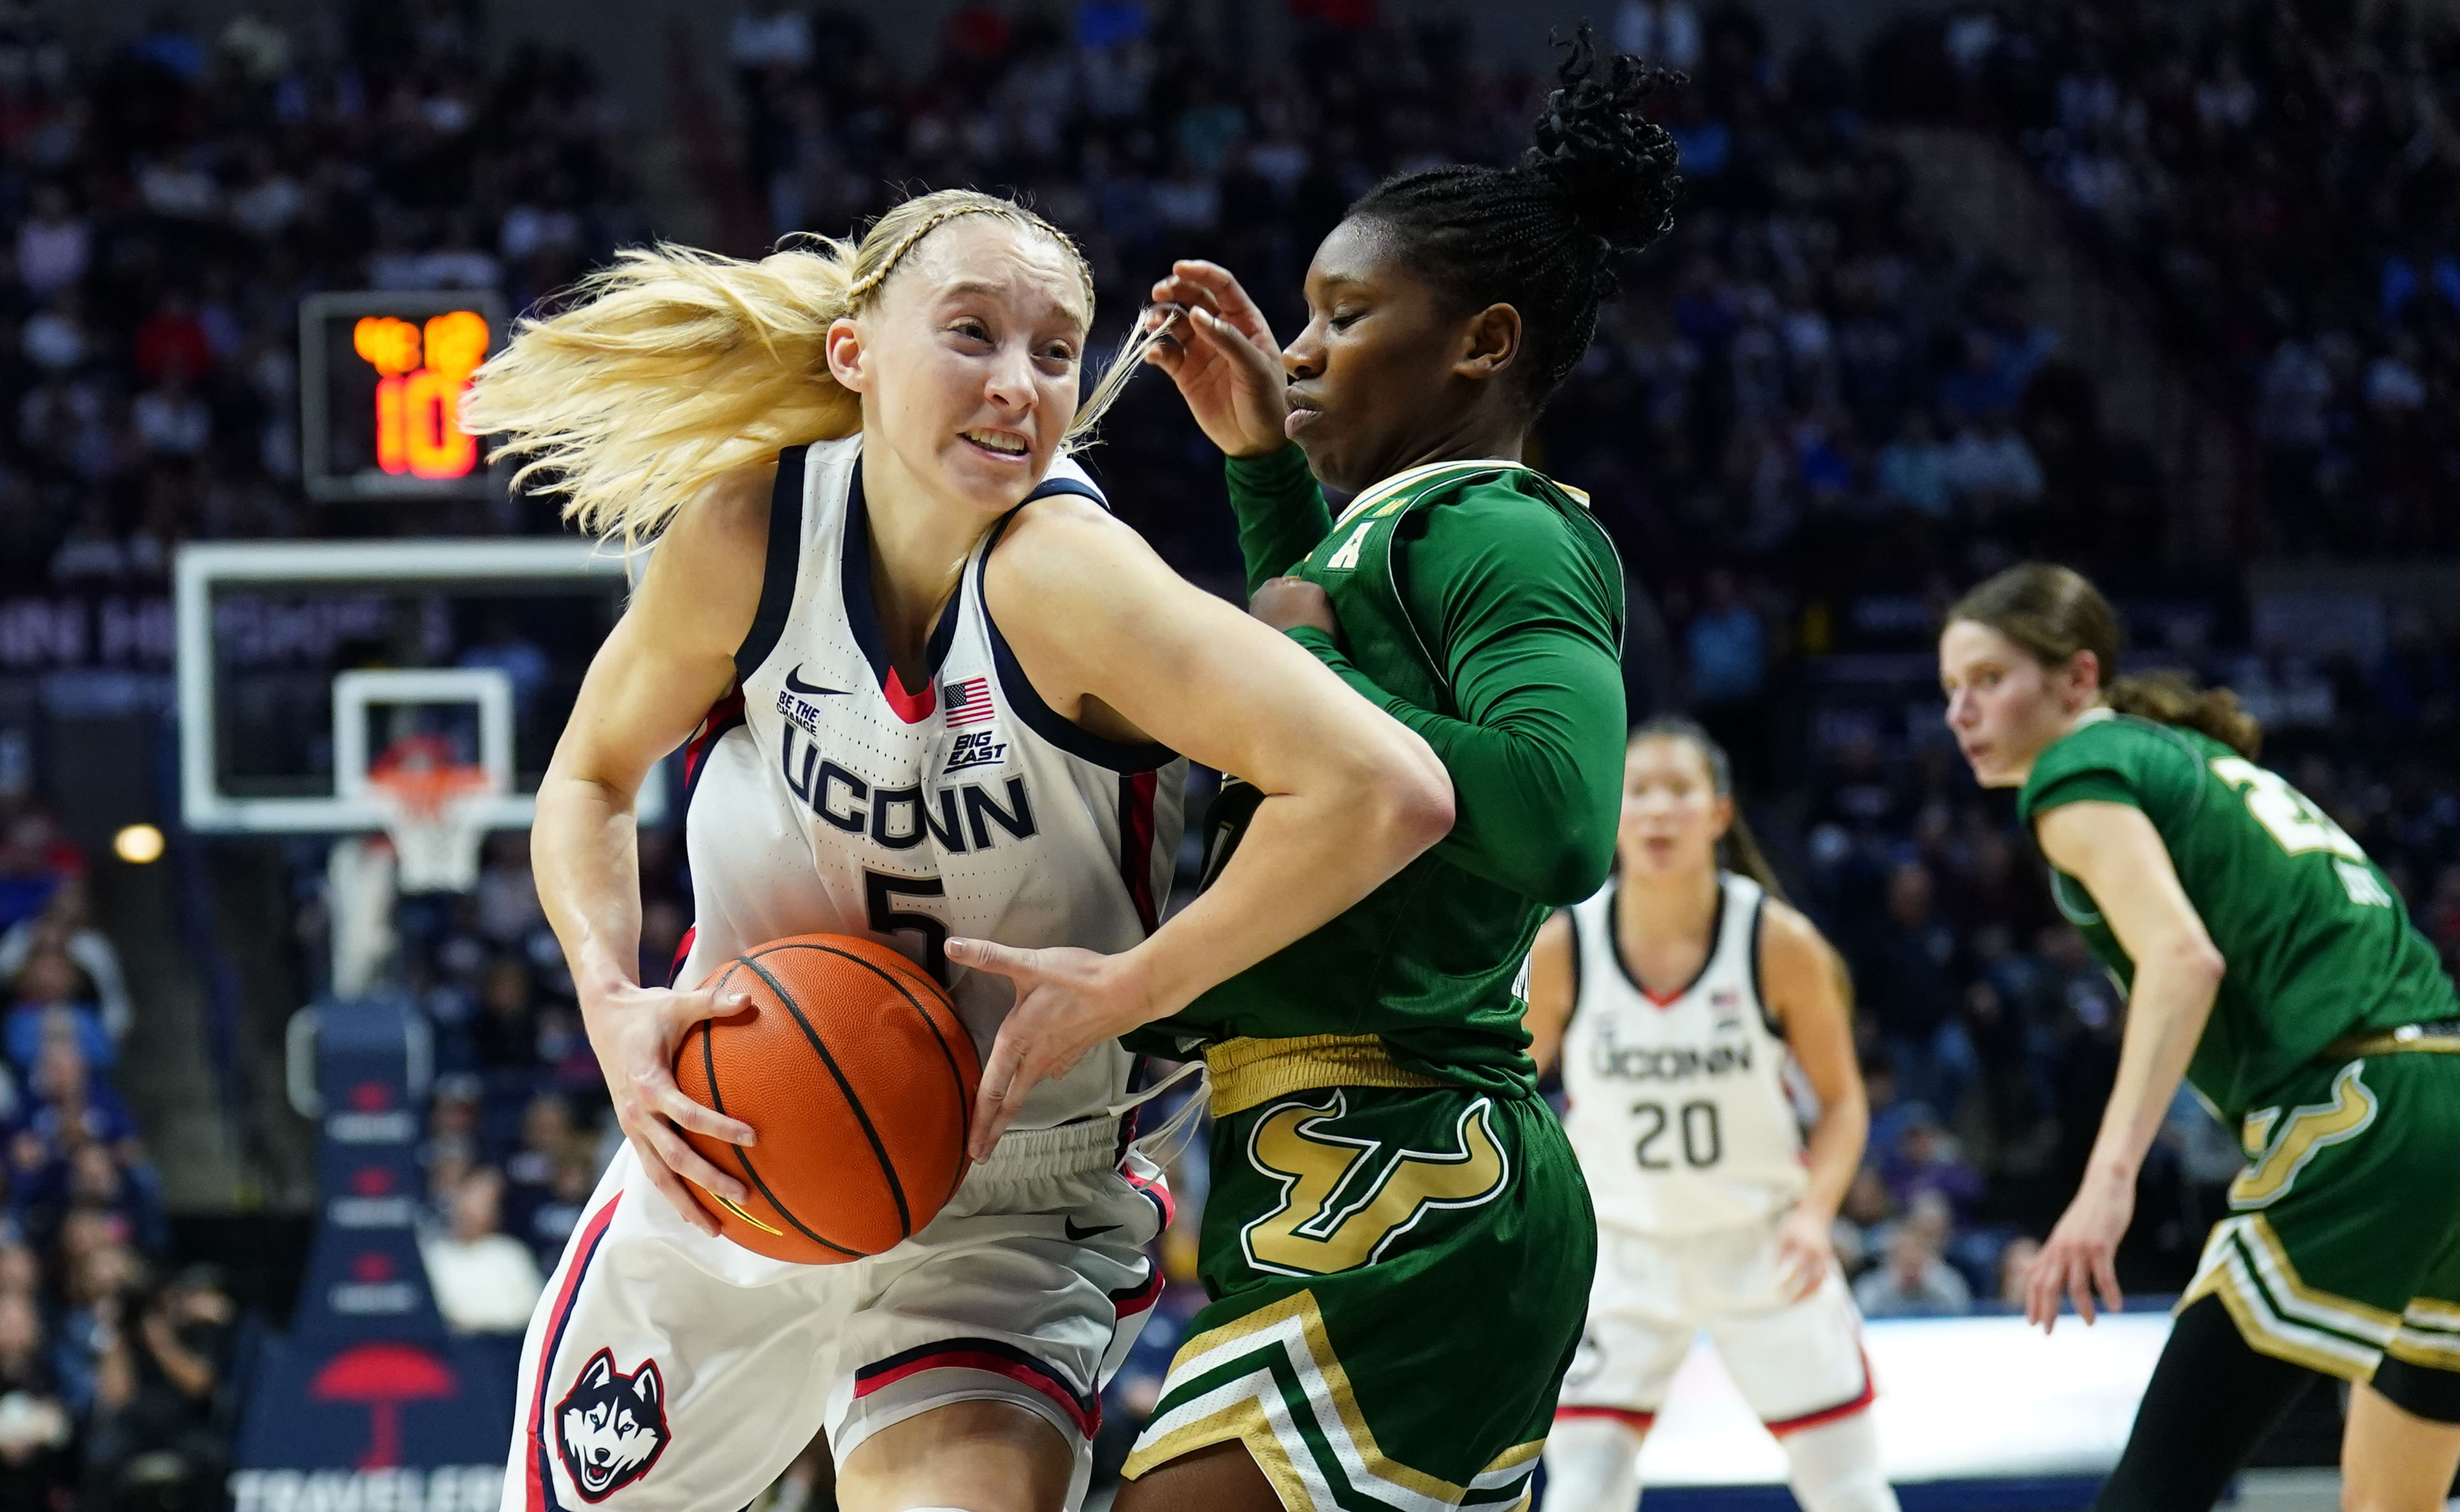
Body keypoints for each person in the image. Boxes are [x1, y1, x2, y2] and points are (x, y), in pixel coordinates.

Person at [459, 187, 1453, 1512]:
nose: (1017, 385)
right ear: (854, 353)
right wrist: (610, 996)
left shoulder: (1073, 581)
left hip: (1012, 1191)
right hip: (731, 1132)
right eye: (972, 334)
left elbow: (1387, 789)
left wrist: (1135, 987)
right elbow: (586, 774)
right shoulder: (752, 533)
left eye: (1054, 352)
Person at [1085, 31, 1670, 1512]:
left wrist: (1309, 658)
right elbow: (1331, 726)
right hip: (1337, 1166)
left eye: (1343, 316)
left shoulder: (1508, 528)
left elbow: (1554, 819)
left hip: (1411, 1173)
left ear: (1479, 343)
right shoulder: (1393, 525)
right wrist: (1258, 473)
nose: (1297, 348)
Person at [1939, 562, 2460, 1511]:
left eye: (1987, 680)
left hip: (2363, 1112)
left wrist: (2107, 1182)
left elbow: (2183, 961)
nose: (1960, 713)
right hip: (2444, 1097)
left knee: (2155, 1488)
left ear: (2076, 680)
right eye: (1950, 690)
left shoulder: (2078, 770)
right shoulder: (2193, 763)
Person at [1524, 720, 1897, 1512]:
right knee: (1582, 1488)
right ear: (1610, 812)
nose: (1657, 810)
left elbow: (1839, 1104)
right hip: (1622, 1253)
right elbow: (1510, 1095)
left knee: (1848, 1489)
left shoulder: (1776, 941)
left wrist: (1814, 1212)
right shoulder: (1566, 945)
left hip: (1763, 1242)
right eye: (1638, 792)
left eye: (1679, 791)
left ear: (1719, 813)